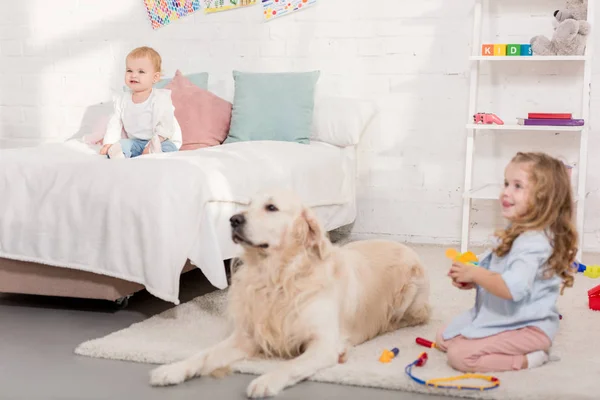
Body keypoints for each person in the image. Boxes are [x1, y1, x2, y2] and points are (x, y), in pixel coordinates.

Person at [438, 151, 577, 373]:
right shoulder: (515, 232)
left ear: (544, 199)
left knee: (460, 356)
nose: (506, 192)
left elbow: (513, 288)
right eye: (506, 183)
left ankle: (530, 359)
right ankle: (491, 341)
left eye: (517, 186)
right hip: (500, 315)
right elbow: (496, 272)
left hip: (527, 327)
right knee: (444, 338)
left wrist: (476, 275)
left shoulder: (533, 244)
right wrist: (472, 280)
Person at [100, 46, 182, 159]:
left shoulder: (160, 98)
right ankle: (119, 154)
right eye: (129, 70)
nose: (133, 75)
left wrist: (156, 141)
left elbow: (166, 124)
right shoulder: (122, 100)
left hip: (161, 139)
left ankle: (155, 151)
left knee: (169, 148)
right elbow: (115, 123)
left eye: (141, 71)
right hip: (136, 142)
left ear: (155, 77)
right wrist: (109, 142)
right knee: (122, 145)